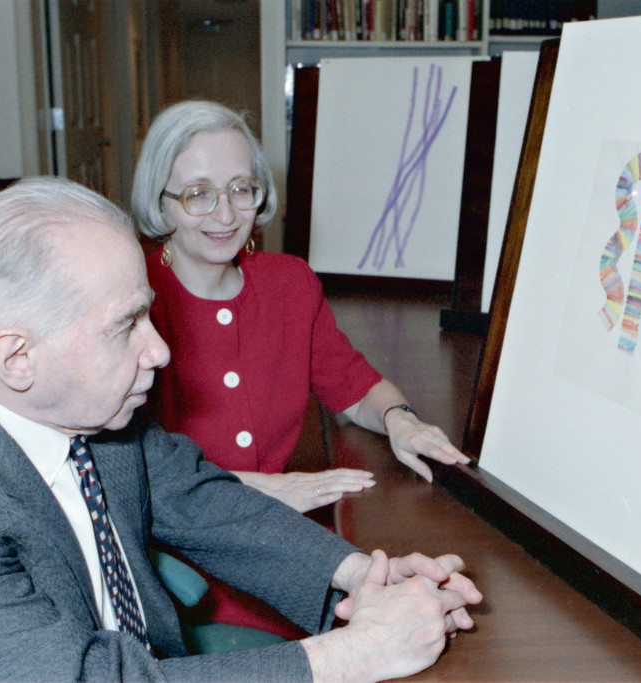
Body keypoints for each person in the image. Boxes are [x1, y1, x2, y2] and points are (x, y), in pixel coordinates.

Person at [0, 177, 482, 682]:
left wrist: (361, 576)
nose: (160, 351)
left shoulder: (83, 406)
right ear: (17, 358)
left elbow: (201, 500)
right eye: (127, 326)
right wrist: (354, 654)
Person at [130, 101, 473, 636]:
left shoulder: (289, 283)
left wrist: (401, 420)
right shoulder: (134, 302)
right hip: (188, 574)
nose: (226, 214)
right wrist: (257, 487)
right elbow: (130, 468)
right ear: (161, 203)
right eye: (198, 194)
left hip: (295, 549)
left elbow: (352, 384)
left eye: (241, 188)